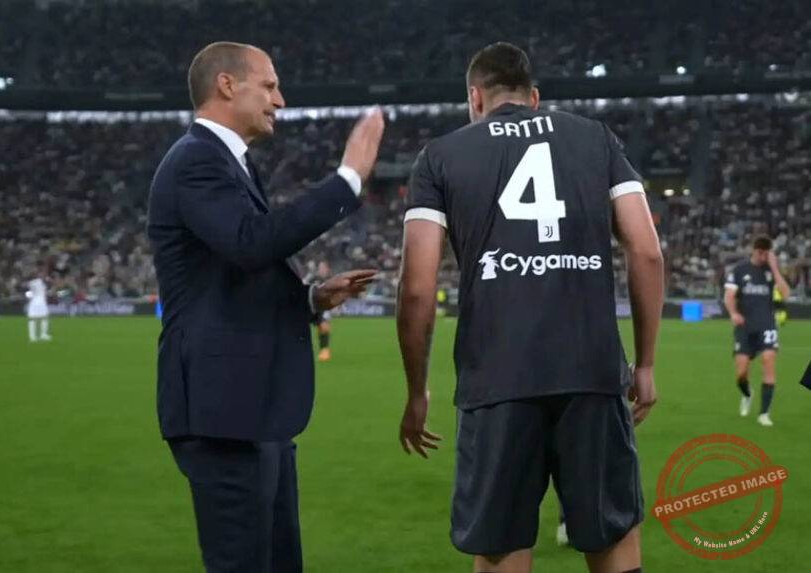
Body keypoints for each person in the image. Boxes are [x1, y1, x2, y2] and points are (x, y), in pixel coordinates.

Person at [396, 42, 663, 573]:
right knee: (613, 540)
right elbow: (647, 251)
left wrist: (417, 390)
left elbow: (418, 289)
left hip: (496, 378)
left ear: (475, 98)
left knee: (501, 548)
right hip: (591, 372)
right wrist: (646, 363)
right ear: (534, 97)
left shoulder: (440, 156)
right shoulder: (595, 138)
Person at [147, 41, 384, 572]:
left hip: (251, 407)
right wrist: (348, 178)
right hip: (222, 410)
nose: (280, 100)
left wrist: (311, 297)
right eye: (270, 86)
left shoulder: (227, 163)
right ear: (227, 85)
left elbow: (235, 274)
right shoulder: (195, 161)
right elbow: (251, 243)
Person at [723, 236, 790, 426]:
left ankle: (764, 414)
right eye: (761, 253)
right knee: (741, 373)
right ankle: (747, 394)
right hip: (745, 326)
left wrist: (775, 268)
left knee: (768, 361)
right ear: (754, 250)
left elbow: (785, 294)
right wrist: (733, 313)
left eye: (766, 253)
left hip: (767, 325)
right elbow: (729, 296)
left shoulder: (771, 270)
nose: (763, 257)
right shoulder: (739, 270)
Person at [308, 261, 334, 361]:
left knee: (324, 327)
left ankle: (324, 350)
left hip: (324, 307)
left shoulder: (331, 280)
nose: (322, 270)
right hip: (312, 306)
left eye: (323, 268)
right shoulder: (313, 279)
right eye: (320, 268)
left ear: (327, 269)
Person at [26, 268, 51, 342]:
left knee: (41, 318)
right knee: (39, 318)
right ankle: (38, 335)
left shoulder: (32, 283)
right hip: (39, 302)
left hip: (37, 302)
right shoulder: (37, 282)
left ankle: (36, 336)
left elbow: (30, 293)